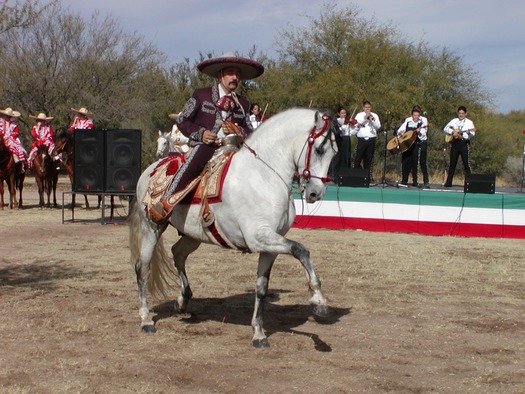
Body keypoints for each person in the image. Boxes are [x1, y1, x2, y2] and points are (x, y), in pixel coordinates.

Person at [149, 52, 264, 223]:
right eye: (230, 73)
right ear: (220, 75)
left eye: (238, 74)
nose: (235, 77)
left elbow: (250, 131)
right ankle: (166, 202)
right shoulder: (201, 95)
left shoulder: (244, 104)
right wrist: (201, 133)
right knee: (199, 155)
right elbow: (182, 119)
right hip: (205, 146)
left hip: (232, 149)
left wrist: (239, 130)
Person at [442, 106, 476, 187]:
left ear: (466, 114)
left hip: (464, 143)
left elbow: (473, 133)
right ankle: (448, 183)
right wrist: (453, 131)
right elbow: (445, 129)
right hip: (455, 143)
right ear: (457, 113)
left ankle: (470, 183)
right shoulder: (454, 121)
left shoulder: (469, 122)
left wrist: (468, 133)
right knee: (452, 164)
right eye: (460, 113)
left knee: (466, 164)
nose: (461, 115)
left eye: (463, 113)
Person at [396, 106, 429, 187]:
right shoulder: (407, 122)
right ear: (412, 115)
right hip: (406, 145)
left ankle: (415, 181)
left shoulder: (421, 124)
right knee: (405, 162)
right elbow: (400, 130)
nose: (416, 117)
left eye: (417, 115)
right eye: (414, 115)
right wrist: (401, 133)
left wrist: (419, 131)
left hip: (416, 145)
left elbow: (423, 134)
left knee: (415, 163)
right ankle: (404, 180)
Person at [350, 100, 381, 179]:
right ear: (363, 108)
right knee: (358, 157)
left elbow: (378, 126)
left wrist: (371, 118)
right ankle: (356, 176)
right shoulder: (359, 115)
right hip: (362, 139)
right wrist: (364, 118)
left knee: (369, 159)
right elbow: (356, 124)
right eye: (366, 107)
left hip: (371, 139)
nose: (367, 109)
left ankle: (368, 177)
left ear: (371, 107)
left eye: (369, 107)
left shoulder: (374, 115)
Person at [0, 107, 28, 173]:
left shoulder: (14, 124)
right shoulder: (0, 122)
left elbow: (16, 132)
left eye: (8, 116)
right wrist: (2, 136)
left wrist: (10, 137)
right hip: (2, 138)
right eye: (6, 116)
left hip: (11, 139)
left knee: (18, 148)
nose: (7, 117)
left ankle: (20, 164)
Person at [333, 106, 353, 182]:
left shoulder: (348, 120)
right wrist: (341, 128)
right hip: (338, 139)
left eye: (345, 113)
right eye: (342, 113)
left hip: (346, 139)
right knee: (337, 158)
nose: (344, 114)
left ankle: (345, 177)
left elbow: (353, 130)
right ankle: (336, 178)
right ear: (339, 114)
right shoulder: (336, 121)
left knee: (346, 158)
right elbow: (335, 130)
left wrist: (356, 126)